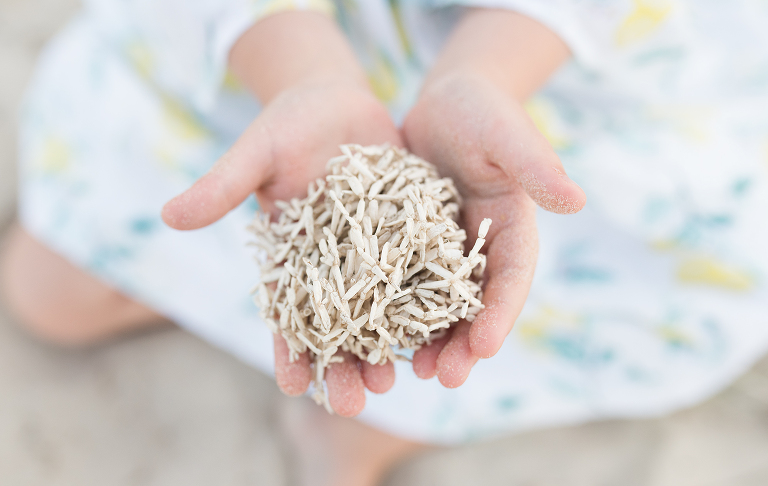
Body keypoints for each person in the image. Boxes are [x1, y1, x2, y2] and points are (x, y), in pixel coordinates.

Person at [2, 1, 767, 485]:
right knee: (45, 297)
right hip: (271, 60)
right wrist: (304, 72)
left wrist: (484, 73)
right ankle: (271, 316)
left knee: (523, 322)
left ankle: (379, 436)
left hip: (567, 83)